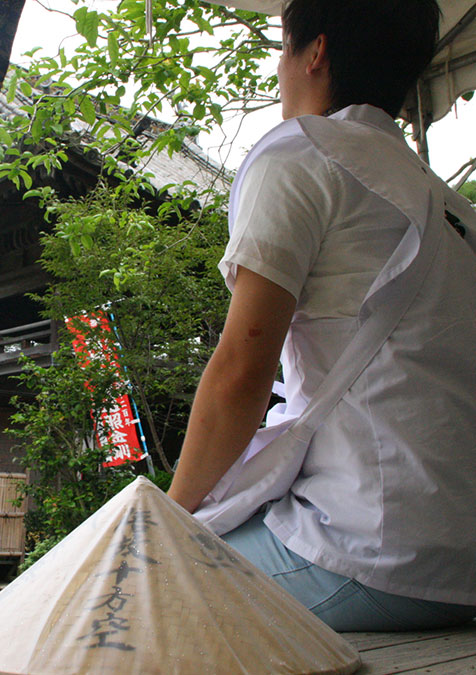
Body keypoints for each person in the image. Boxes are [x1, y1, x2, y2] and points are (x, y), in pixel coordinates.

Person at [167, 0, 476, 631]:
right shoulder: (449, 205)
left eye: (283, 49)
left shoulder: (300, 159)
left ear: (315, 53)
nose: (281, 70)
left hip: (371, 553)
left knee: (139, 581)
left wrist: (163, 520)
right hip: (463, 564)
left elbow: (239, 377)